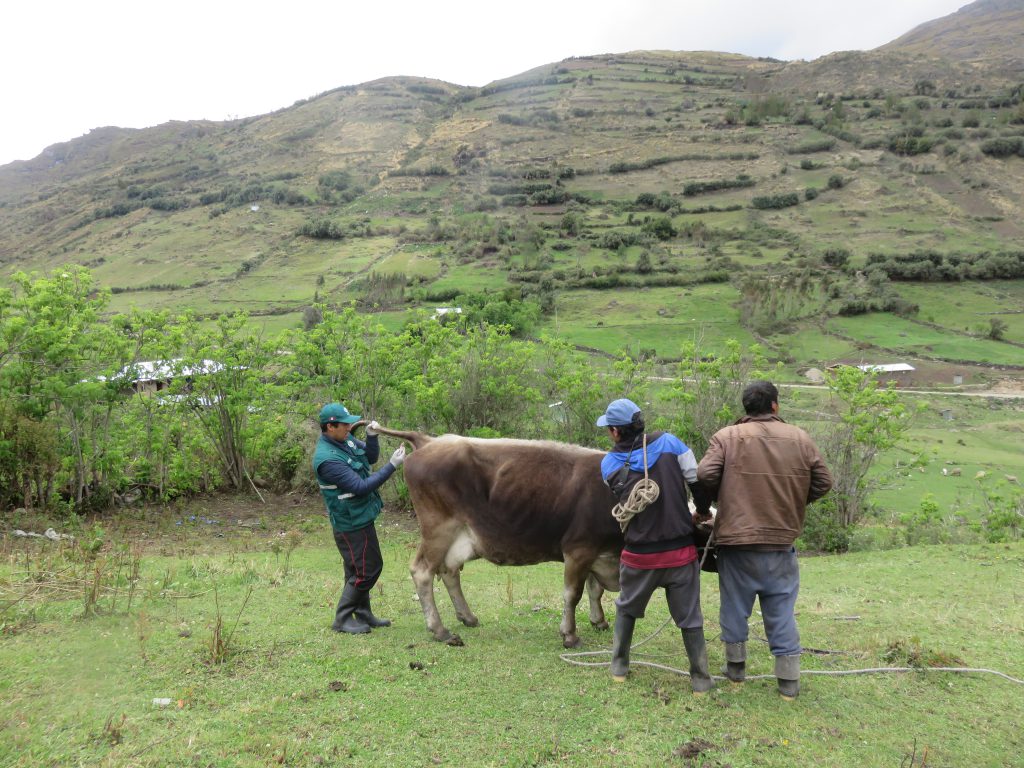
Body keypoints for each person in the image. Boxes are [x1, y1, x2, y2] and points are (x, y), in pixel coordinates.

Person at [697, 380, 833, 700]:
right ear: (775, 406)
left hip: (735, 543)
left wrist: (716, 503)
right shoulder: (800, 438)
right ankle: (788, 684)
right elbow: (824, 482)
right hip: (780, 543)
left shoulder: (726, 437)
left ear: (746, 408)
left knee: (734, 607)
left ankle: (735, 672)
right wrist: (793, 501)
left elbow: (704, 475)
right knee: (781, 610)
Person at [596, 398, 715, 694]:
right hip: (680, 554)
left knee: (626, 609)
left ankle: (619, 667)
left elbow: (624, 497)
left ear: (615, 432)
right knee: (690, 618)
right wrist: (701, 511)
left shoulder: (608, 464)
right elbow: (697, 482)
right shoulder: (672, 444)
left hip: (639, 556)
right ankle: (700, 678)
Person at [313, 402, 406, 634]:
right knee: (369, 569)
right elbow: (360, 486)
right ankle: (342, 618)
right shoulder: (327, 459)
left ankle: (363, 613)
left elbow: (370, 458)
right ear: (330, 426)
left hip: (360, 516)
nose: (348, 427)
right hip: (350, 522)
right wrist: (392, 466)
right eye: (344, 424)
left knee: (357, 568)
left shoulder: (345, 440)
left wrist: (372, 436)